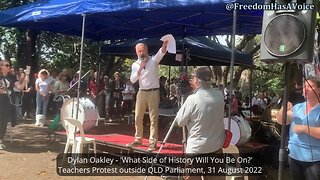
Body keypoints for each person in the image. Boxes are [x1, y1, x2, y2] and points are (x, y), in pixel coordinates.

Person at [174, 67, 225, 180]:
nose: (191, 81)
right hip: (216, 148)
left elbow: (180, 122)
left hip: (197, 151)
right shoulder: (220, 96)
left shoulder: (192, 99)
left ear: (197, 81)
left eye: (192, 78)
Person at [127, 40, 168, 151]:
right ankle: (138, 139)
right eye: (139, 51)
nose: (141, 53)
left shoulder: (153, 60)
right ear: (136, 52)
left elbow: (161, 52)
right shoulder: (135, 65)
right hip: (141, 92)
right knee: (138, 117)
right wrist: (140, 68)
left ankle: (153, 142)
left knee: (153, 118)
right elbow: (132, 79)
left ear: (147, 50)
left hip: (153, 92)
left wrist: (164, 46)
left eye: (143, 50)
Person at [277, 76, 320, 180]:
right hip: (294, 156)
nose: (305, 89)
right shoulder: (297, 107)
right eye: (304, 86)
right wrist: (283, 108)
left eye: (309, 86)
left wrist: (305, 129)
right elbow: (281, 120)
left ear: (318, 90)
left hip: (313, 160)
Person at [0, 60, 29, 149]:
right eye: (7, 65)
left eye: (9, 65)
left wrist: (25, 81)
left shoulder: (11, 77)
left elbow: (20, 87)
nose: (9, 67)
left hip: (6, 101)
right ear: (1, 66)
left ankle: (0, 140)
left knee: (4, 120)